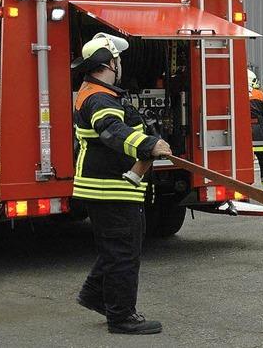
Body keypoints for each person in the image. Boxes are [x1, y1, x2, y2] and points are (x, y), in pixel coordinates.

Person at [71, 32, 172, 335]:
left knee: (118, 248)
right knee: (123, 252)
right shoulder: (99, 98)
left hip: (112, 186)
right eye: (118, 58)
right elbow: (112, 131)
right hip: (110, 187)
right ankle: (121, 316)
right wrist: (149, 145)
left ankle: (95, 295)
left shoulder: (98, 93)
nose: (121, 63)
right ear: (109, 62)